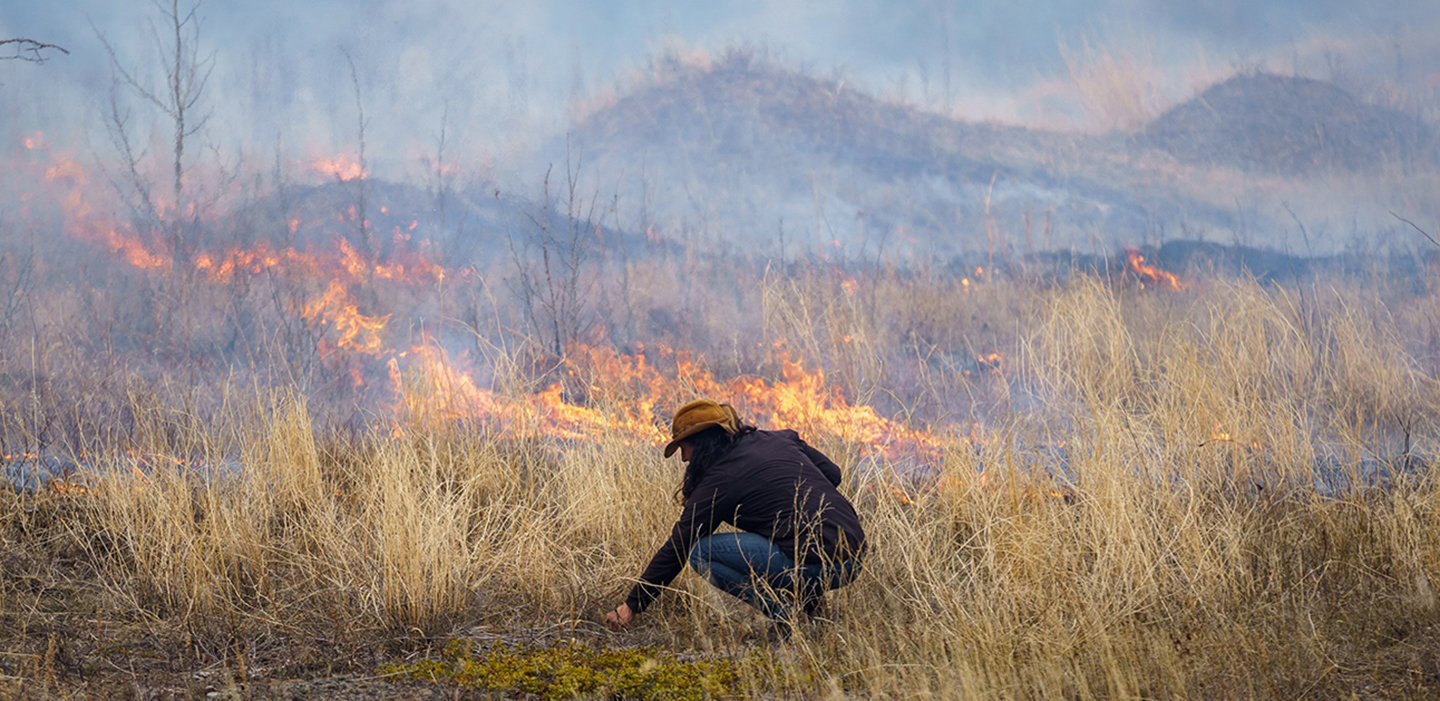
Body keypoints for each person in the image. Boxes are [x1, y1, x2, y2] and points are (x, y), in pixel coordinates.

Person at [605, 399, 866, 631]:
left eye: (684, 448)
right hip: (854, 556)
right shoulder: (780, 438)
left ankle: (784, 615)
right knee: (787, 539)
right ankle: (815, 610)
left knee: (701, 552)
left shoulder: (721, 478)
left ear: (702, 444)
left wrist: (633, 604)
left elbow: (680, 544)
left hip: (821, 565)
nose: (684, 459)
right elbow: (833, 474)